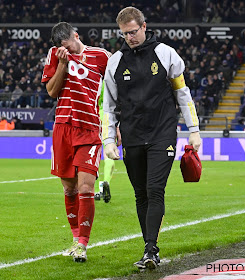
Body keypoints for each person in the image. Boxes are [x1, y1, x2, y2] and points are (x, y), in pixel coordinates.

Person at [103, 7, 201, 270]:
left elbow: (183, 93)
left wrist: (194, 129)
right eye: (125, 34)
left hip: (162, 133)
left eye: (133, 32)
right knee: (140, 194)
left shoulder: (166, 54)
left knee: (155, 190)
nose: (130, 37)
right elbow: (109, 106)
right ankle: (149, 247)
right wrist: (108, 139)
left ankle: (150, 250)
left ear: (144, 27)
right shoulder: (114, 62)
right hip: (133, 135)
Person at [41, 22, 111, 262]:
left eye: (68, 47)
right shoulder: (55, 55)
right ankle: (74, 239)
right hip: (63, 127)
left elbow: (117, 87)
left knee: (85, 188)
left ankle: (83, 244)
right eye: (62, 48)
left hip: (89, 128)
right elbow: (51, 91)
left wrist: (117, 123)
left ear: (76, 36)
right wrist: (62, 64)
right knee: (69, 189)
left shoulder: (101, 56)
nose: (66, 51)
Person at [95, 82, 113, 203]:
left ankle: (97, 190)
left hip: (95, 117)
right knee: (108, 154)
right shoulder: (110, 81)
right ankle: (106, 181)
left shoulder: (94, 77)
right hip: (108, 119)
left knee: (93, 155)